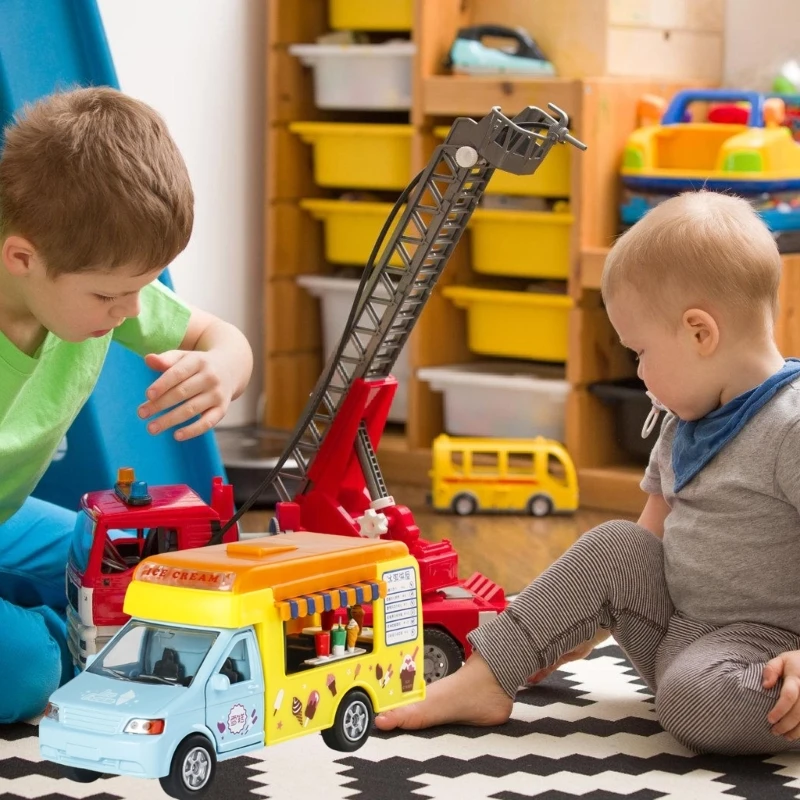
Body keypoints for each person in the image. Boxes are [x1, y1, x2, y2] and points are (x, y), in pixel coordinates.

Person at [376, 191, 800, 755]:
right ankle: (487, 677)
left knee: (695, 700)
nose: (639, 372)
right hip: (683, 633)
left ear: (701, 333)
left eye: (640, 352)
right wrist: (571, 617)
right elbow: (643, 544)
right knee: (613, 542)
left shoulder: (788, 426)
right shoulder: (686, 420)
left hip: (765, 653)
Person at [0, 87, 253, 723]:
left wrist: (221, 368)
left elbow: (222, 338)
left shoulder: (97, 286)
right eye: (114, 295)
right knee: (22, 669)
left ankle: (79, 629)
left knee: (145, 571)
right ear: (22, 258)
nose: (134, 312)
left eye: (144, 288)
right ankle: (77, 646)